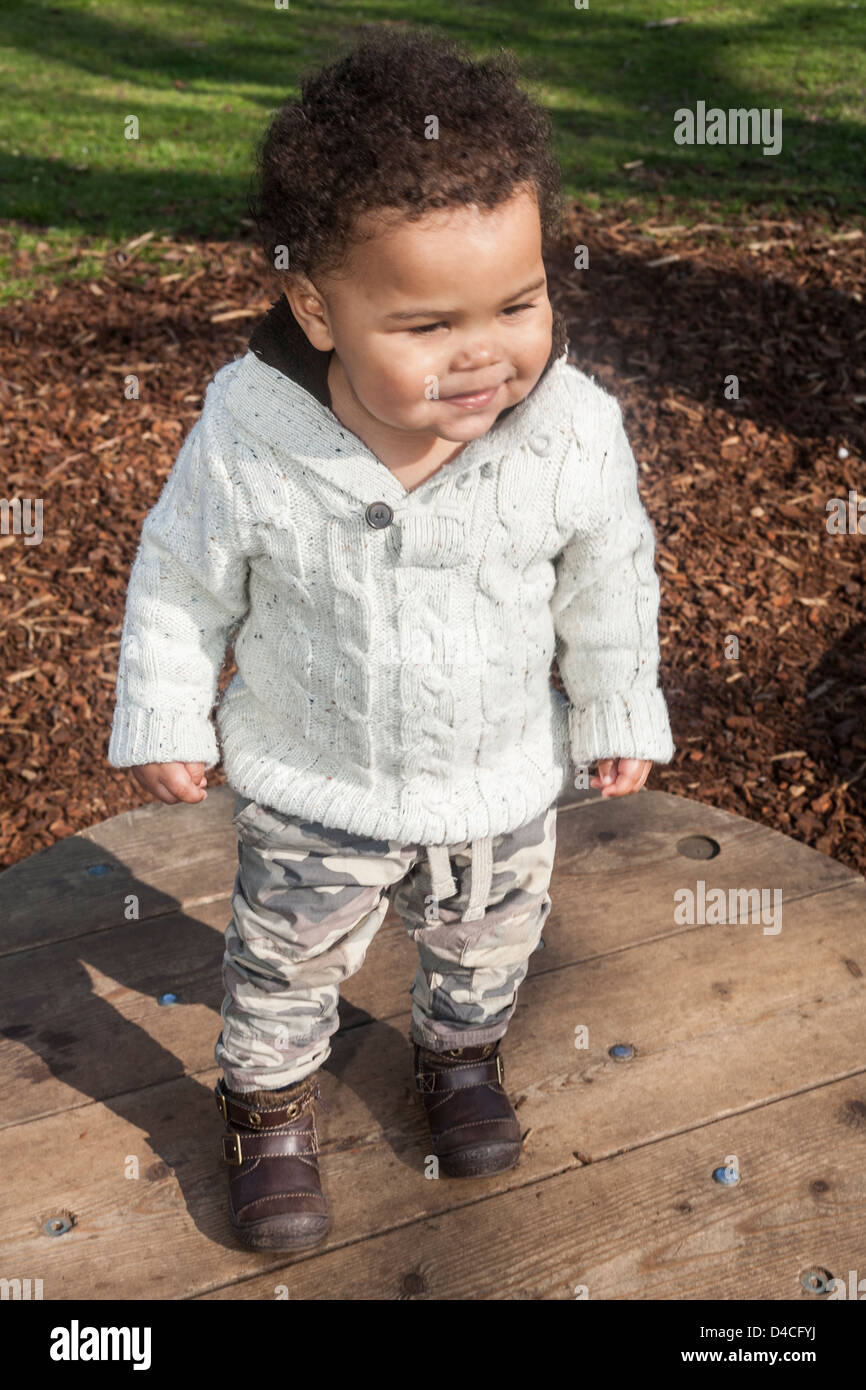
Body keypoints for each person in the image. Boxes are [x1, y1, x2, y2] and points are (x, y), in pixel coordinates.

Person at [107, 27, 676, 1253]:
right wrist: (163, 710)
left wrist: (619, 704)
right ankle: (265, 1107)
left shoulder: (568, 429)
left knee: (487, 944)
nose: (484, 353)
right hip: (320, 785)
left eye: (518, 303)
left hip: (498, 780)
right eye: (425, 326)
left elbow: (607, 575)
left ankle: (459, 1057)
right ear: (315, 307)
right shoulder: (253, 432)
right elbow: (179, 578)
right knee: (282, 964)